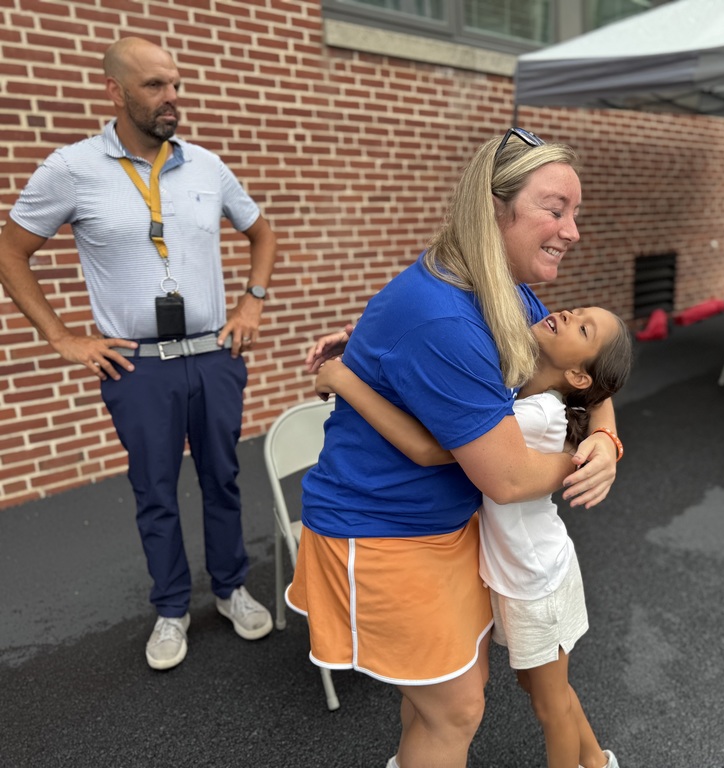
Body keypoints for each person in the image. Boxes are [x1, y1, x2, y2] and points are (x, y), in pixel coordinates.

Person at [288, 130, 622, 768]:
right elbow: (507, 476)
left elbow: (586, 374)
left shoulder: (503, 289)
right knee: (456, 707)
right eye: (556, 209)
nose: (573, 231)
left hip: (447, 525)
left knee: (442, 694)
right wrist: (578, 461)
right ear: (494, 209)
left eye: (575, 213)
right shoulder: (446, 318)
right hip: (384, 529)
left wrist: (605, 439)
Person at [0, 37, 277, 670]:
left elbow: (261, 232)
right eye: (155, 86)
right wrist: (62, 337)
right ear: (116, 91)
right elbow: (10, 251)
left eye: (175, 84)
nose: (171, 97)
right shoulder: (71, 169)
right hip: (138, 366)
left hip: (214, 355)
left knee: (223, 479)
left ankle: (232, 588)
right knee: (154, 490)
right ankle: (172, 609)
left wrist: (251, 303)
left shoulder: (206, 166)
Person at [315, 304, 632, 768]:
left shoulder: (536, 412)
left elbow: (429, 447)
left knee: (550, 704)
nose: (567, 313)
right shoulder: (518, 385)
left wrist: (346, 380)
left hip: (536, 581)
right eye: (579, 310)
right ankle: (598, 764)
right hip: (519, 573)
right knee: (543, 690)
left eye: (583, 328)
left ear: (578, 376)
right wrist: (376, 345)